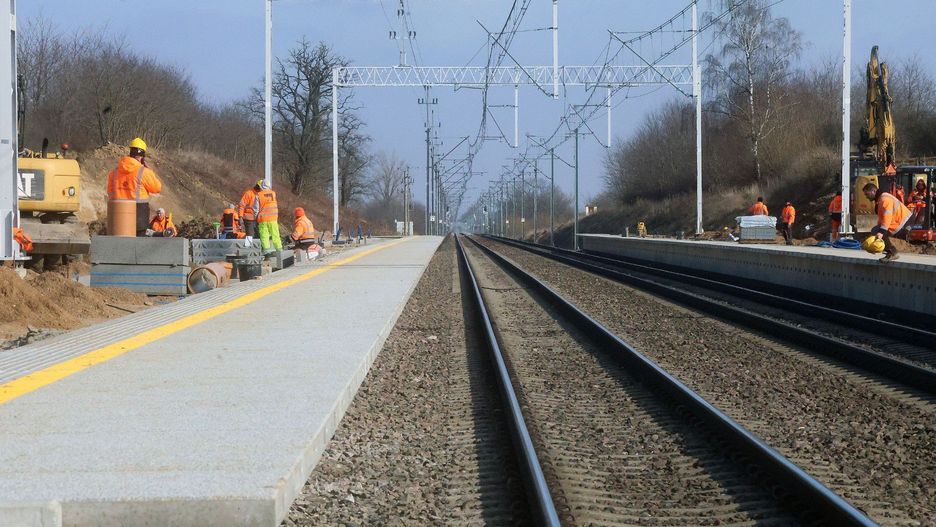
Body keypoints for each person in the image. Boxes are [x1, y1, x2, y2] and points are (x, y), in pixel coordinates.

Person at [106, 138, 162, 236]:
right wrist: (148, 170)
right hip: (138, 218)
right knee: (137, 247)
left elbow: (110, 193)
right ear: (142, 156)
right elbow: (157, 188)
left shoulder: (114, 172)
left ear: (130, 153)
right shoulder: (144, 172)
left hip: (118, 217)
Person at [862, 182, 911, 262]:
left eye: (867, 194)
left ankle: (893, 253)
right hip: (899, 221)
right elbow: (882, 218)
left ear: (873, 191)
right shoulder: (880, 199)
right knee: (876, 230)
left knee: (878, 231)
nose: (866, 197)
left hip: (903, 223)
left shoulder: (884, 199)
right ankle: (890, 252)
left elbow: (887, 217)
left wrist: (881, 232)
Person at [255, 181, 282, 255]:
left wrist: (256, 217)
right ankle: (279, 250)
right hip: (273, 218)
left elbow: (256, 209)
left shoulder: (258, 195)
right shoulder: (273, 193)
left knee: (264, 235)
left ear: (262, 185)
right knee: (275, 234)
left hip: (263, 219)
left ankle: (267, 252)